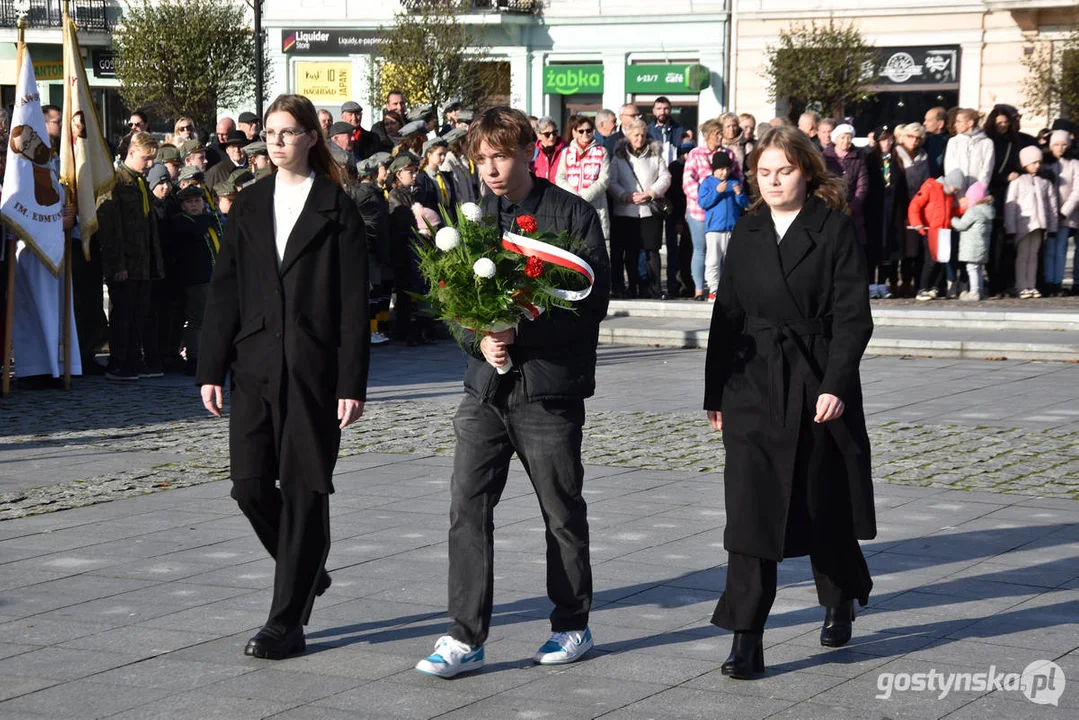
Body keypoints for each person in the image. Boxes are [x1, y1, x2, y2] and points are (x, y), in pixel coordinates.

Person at [414, 106, 609, 679]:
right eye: (482, 159)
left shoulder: (570, 213)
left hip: (548, 388)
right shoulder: (472, 216)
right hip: (484, 389)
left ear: (528, 151)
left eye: (501, 155)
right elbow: (452, 297)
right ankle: (464, 635)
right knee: (466, 508)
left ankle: (572, 623)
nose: (492, 169)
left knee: (561, 510)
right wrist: (480, 341)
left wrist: (520, 329)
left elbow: (589, 300)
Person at [196, 94, 370, 660]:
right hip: (254, 367)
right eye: (270, 131)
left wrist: (351, 382)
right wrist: (211, 367)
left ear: (311, 138)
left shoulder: (336, 208)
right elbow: (225, 291)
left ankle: (286, 623)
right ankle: (306, 565)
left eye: (289, 131)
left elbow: (351, 305)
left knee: (303, 491)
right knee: (249, 487)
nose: (276, 140)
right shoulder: (246, 205)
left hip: (314, 371)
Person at [704, 124, 874, 680]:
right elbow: (726, 314)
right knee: (750, 512)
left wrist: (835, 384)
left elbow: (853, 318)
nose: (773, 181)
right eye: (765, 171)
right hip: (750, 382)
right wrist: (714, 393)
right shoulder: (747, 228)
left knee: (820, 502)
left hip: (813, 380)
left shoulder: (833, 230)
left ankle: (839, 593)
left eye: (785, 170)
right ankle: (746, 638)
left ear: (807, 172)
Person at [97, 131, 165, 381]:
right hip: (125, 263)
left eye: (152, 160)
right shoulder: (115, 182)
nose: (150, 165)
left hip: (144, 262)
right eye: (146, 159)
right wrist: (118, 264)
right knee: (123, 314)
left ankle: (134, 359)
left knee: (140, 313)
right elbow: (111, 227)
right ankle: (119, 362)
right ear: (132, 153)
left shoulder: (139, 182)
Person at [608, 117, 671, 298]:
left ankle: (655, 288)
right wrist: (624, 195)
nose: (639, 139)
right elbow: (612, 181)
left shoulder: (654, 155)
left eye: (643, 135)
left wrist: (651, 192)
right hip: (626, 211)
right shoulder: (619, 157)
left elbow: (665, 177)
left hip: (649, 210)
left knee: (652, 251)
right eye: (636, 135)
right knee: (631, 253)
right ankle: (633, 287)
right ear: (628, 135)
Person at [684, 120, 741, 299]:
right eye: (716, 133)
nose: (720, 136)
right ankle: (699, 289)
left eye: (720, 133)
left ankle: (719, 289)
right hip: (700, 211)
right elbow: (688, 180)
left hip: (724, 212)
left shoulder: (728, 154)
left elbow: (738, 177)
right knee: (701, 249)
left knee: (722, 254)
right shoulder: (696, 154)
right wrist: (705, 198)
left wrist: (735, 190)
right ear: (707, 135)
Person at [1005, 145, 1058, 299]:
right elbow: (1010, 206)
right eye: (1033, 162)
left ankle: (1031, 285)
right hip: (1024, 224)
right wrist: (1010, 228)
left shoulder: (1044, 182)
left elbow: (1051, 206)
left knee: (1033, 255)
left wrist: (1052, 225)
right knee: (1022, 255)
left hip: (1039, 224)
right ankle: (1021, 285)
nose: (1037, 165)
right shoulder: (1017, 182)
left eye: (1039, 162)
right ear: (1024, 163)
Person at [864, 127, 909, 298]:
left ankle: (883, 282)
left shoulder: (896, 159)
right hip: (875, 208)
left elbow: (903, 187)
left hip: (893, 208)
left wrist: (904, 212)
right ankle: (870, 282)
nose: (887, 143)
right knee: (873, 245)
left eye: (890, 139)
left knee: (888, 246)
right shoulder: (870, 159)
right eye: (883, 140)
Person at [697, 151, 748, 301]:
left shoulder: (734, 182)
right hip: (714, 229)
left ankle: (730, 290)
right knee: (713, 261)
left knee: (731, 261)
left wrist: (739, 194)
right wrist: (716, 192)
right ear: (714, 169)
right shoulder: (707, 182)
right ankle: (714, 290)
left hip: (732, 228)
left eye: (727, 169)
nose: (724, 172)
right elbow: (703, 203)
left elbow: (743, 205)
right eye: (720, 169)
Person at [910, 169, 965, 301]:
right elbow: (915, 205)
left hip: (943, 231)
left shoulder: (949, 195)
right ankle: (922, 288)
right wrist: (918, 224)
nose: (955, 191)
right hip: (930, 230)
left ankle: (934, 287)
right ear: (949, 183)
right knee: (930, 261)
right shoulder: (930, 187)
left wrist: (963, 209)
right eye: (955, 188)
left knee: (942, 260)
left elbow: (949, 213)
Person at [557, 114, 611, 239]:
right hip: (572, 204)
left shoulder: (602, 151)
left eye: (589, 130)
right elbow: (560, 178)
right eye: (581, 131)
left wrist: (585, 197)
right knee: (574, 242)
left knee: (596, 242)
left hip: (596, 204)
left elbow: (605, 179)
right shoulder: (566, 152)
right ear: (574, 132)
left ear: (593, 131)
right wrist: (575, 197)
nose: (585, 133)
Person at [895, 123, 930, 297]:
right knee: (902, 246)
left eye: (918, 138)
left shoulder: (923, 156)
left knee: (916, 247)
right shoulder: (897, 154)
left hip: (919, 204)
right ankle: (900, 282)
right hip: (901, 203)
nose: (914, 141)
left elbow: (926, 181)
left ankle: (914, 282)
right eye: (910, 137)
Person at [1044, 130, 1079, 296]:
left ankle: (1057, 281)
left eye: (1064, 144)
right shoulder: (1044, 164)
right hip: (1047, 214)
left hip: (1066, 215)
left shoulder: (1074, 164)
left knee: (1061, 248)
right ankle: (1048, 281)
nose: (1060, 148)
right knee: (1049, 249)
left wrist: (1064, 212)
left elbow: (1076, 191)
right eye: (1056, 144)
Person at [822, 124, 869, 246]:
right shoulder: (825, 158)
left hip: (853, 208)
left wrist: (852, 207)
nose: (846, 141)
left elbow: (862, 186)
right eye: (843, 137)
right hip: (831, 206)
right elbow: (822, 182)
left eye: (849, 138)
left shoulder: (858, 158)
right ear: (836, 139)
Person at [951, 182, 995, 301]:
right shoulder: (988, 211)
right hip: (982, 246)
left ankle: (974, 291)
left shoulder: (974, 211)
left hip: (972, 246)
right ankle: (979, 290)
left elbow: (961, 225)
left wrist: (953, 219)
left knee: (972, 268)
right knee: (978, 269)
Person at [648, 96, 686, 164]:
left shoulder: (680, 130)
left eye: (666, 109)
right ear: (654, 111)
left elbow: (685, 153)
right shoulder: (647, 132)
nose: (662, 112)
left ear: (670, 110)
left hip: (675, 171)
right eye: (659, 109)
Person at [531, 116, 566, 183]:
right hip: (540, 191)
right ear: (539, 136)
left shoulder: (565, 150)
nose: (552, 136)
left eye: (554, 133)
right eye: (547, 134)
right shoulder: (533, 151)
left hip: (561, 191)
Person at [923, 107, 949, 178]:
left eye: (928, 120)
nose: (924, 123)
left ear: (940, 124)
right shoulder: (924, 140)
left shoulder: (950, 142)